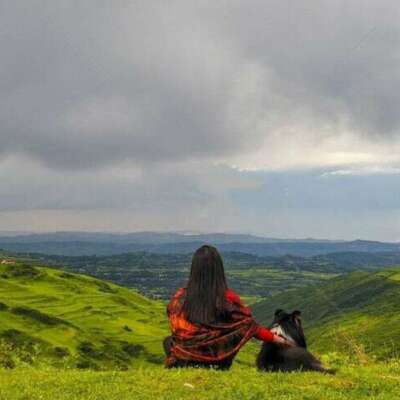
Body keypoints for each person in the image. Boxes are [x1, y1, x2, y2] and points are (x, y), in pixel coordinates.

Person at [163, 244, 294, 369]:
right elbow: (251, 326)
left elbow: (173, 318)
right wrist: (282, 341)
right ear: (218, 270)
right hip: (217, 361)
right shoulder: (228, 297)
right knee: (228, 340)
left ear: (194, 269)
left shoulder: (180, 296)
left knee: (168, 341)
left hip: (183, 359)